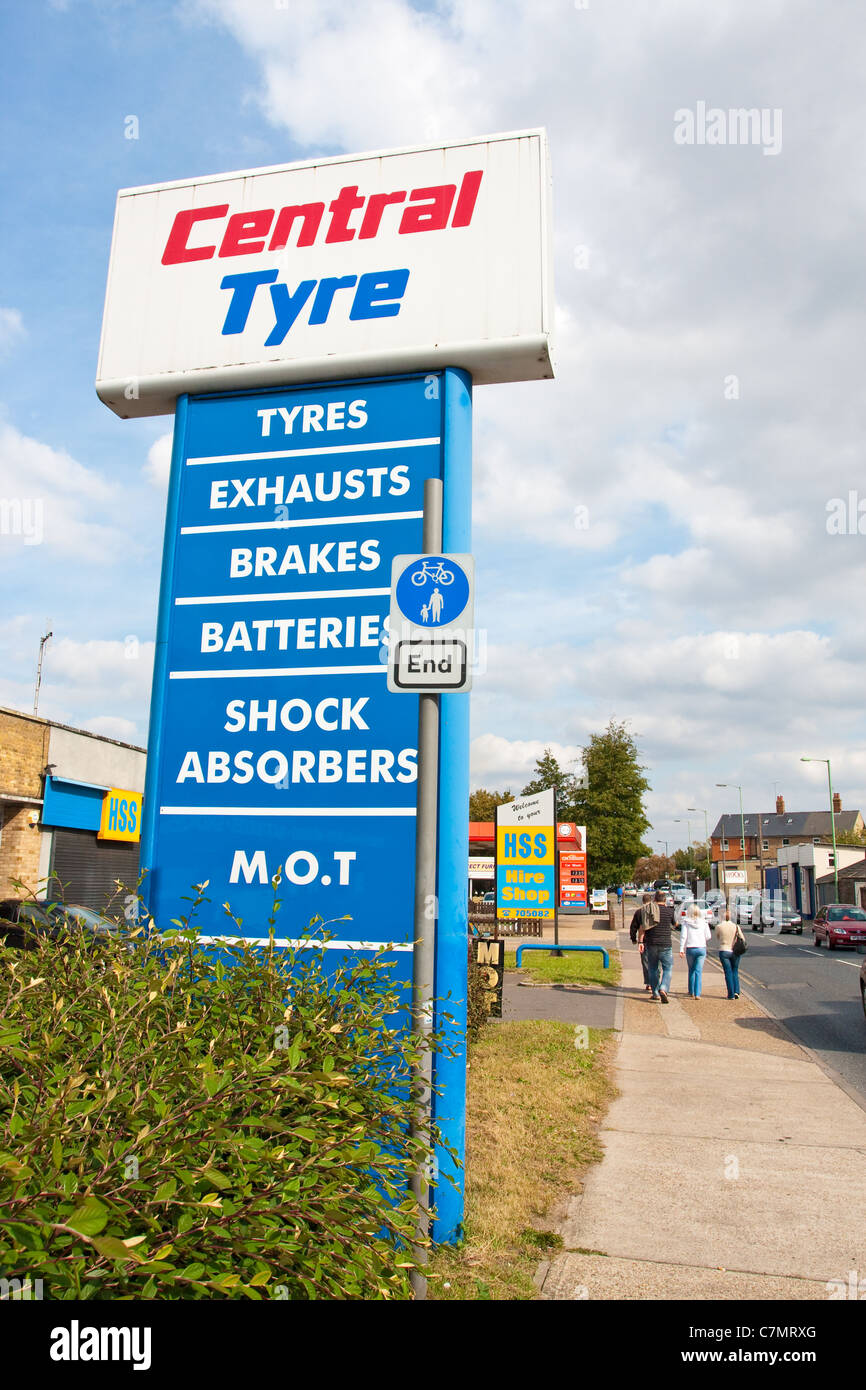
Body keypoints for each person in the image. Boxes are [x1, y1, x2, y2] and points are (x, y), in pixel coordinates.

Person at [638, 890, 675, 1003]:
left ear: (654, 900)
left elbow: (643, 927)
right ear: (665, 900)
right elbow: (675, 924)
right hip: (666, 944)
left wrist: (640, 942)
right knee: (667, 968)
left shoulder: (649, 910)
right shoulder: (670, 911)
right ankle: (663, 988)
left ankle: (655, 993)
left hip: (651, 943)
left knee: (653, 969)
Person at [679, 903, 711, 998]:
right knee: (698, 971)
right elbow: (708, 936)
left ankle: (691, 991)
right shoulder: (704, 922)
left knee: (691, 969)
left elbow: (683, 936)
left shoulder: (686, 923)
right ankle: (697, 993)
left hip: (690, 948)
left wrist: (681, 949)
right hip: (701, 948)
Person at [716, 907, 744, 1000]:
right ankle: (737, 992)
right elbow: (742, 939)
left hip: (724, 950)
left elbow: (717, 937)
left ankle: (731, 994)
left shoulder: (719, 926)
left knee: (728, 972)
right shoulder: (736, 926)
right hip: (735, 951)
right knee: (735, 971)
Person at [630, 892, 652, 992]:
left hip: (643, 941)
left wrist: (634, 939)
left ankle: (648, 983)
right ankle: (655, 981)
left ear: (643, 901)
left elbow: (633, 926)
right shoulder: (655, 911)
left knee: (646, 962)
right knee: (656, 963)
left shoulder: (639, 912)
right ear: (650, 901)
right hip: (655, 940)